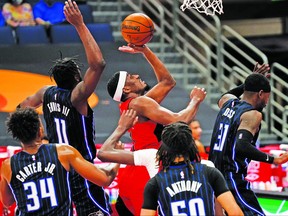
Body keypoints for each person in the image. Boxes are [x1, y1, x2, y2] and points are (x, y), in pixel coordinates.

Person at [17, 0, 112, 215]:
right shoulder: (77, 97)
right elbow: (98, 64)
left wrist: (36, 135)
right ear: (77, 78)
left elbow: (22, 108)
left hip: (56, 168)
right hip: (81, 167)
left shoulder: (45, 93)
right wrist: (79, 24)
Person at [106, 44, 207, 215]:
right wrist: (195, 100)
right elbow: (179, 121)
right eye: (131, 77)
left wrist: (144, 50)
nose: (137, 75)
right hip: (147, 170)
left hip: (134, 169)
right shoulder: (140, 103)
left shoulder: (135, 103)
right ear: (126, 89)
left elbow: (167, 82)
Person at [0, 108, 120, 215]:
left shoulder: (8, 165)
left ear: (17, 136)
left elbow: (7, 202)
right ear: (40, 131)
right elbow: (104, 179)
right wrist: (117, 159)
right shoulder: (63, 152)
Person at [208, 65, 288, 215]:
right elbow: (241, 146)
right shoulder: (253, 115)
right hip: (231, 177)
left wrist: (249, 82)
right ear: (260, 93)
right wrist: (273, 160)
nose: (266, 102)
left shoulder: (226, 103)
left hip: (213, 174)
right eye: (267, 97)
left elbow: (226, 94)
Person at [140, 121, 244, 216]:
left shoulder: (155, 183)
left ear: (164, 148)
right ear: (192, 145)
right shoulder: (210, 173)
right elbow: (236, 213)